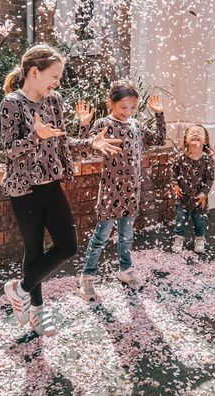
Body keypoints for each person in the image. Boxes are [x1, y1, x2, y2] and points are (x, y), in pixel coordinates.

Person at [0, 44, 122, 336]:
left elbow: (61, 142)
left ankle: (20, 289)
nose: (57, 82)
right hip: (24, 190)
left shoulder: (54, 101)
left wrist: (89, 143)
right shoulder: (11, 103)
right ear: (34, 72)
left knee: (68, 246)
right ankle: (37, 314)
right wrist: (34, 136)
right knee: (34, 252)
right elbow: (8, 150)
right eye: (54, 75)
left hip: (52, 186)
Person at [78, 80, 166, 300]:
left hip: (131, 191)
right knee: (101, 236)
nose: (128, 112)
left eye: (133, 108)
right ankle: (87, 277)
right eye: (123, 107)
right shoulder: (104, 124)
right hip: (110, 191)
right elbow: (83, 151)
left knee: (126, 236)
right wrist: (84, 125)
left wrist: (159, 115)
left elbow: (158, 139)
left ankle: (125, 271)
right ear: (111, 103)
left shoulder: (136, 126)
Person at [171, 124, 215, 254]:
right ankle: (178, 239)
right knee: (180, 220)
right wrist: (175, 185)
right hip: (182, 197)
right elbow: (173, 173)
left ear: (205, 141)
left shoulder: (208, 160)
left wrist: (204, 194)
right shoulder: (180, 157)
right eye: (192, 132)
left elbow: (210, 179)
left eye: (199, 133)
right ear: (186, 140)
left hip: (199, 198)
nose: (195, 134)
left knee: (199, 220)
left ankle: (199, 239)